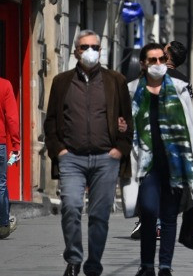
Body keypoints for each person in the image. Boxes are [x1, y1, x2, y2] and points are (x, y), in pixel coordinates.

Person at [44, 30, 133, 276]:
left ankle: (93, 264)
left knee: (99, 215)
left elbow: (128, 120)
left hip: (106, 158)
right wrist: (59, 150)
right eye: (84, 47)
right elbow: (51, 121)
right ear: (76, 52)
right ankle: (73, 259)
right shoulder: (62, 82)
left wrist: (120, 149)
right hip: (71, 157)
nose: (90, 51)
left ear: (101, 51)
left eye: (95, 46)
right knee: (71, 207)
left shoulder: (115, 81)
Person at [127, 43, 193, 276]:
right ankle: (147, 265)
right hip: (146, 164)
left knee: (169, 218)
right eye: (153, 60)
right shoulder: (132, 90)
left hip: (174, 164)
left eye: (162, 59)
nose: (158, 64)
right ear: (143, 63)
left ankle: (165, 268)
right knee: (149, 212)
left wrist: (192, 170)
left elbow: (190, 129)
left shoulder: (180, 88)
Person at [0, 76, 20, 239]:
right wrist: (16, 145)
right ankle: (3, 224)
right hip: (0, 143)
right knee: (0, 184)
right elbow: (12, 118)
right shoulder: (5, 85)